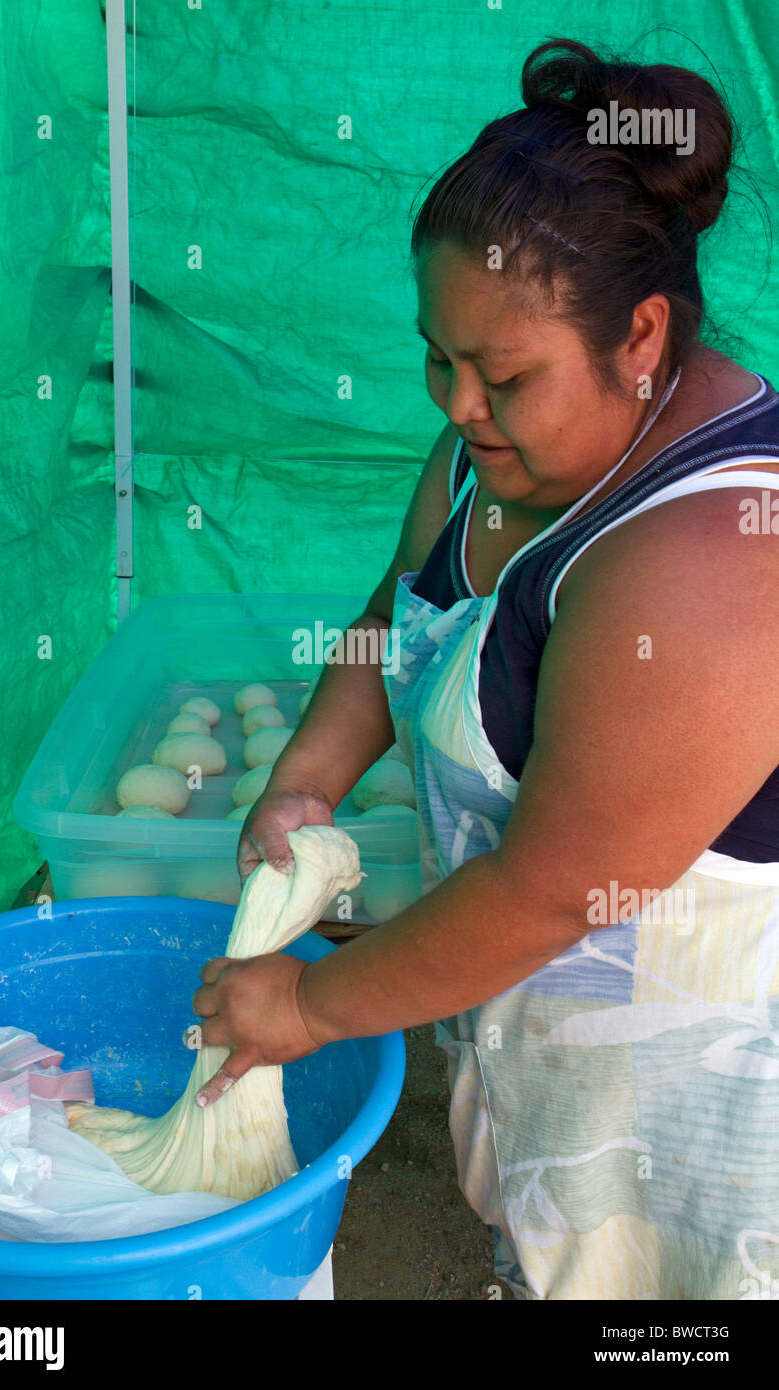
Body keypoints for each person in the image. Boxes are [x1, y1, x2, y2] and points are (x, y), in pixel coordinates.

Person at [192, 38, 779, 1300]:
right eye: (435, 359)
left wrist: (305, 1005)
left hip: (713, 1130)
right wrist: (307, 772)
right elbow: (396, 611)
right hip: (553, 1056)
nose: (456, 404)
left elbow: (558, 888)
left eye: (501, 373)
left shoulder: (711, 561)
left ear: (640, 335)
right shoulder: (488, 456)